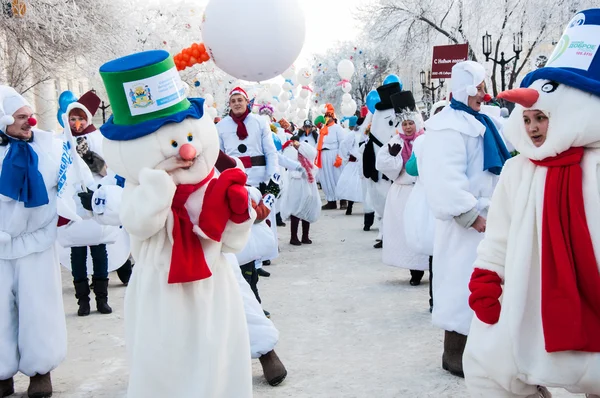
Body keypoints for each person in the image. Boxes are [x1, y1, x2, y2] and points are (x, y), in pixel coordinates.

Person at [464, 10, 600, 397]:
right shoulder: (518, 170)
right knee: (491, 369)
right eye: (527, 119)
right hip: (529, 294)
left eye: (542, 116)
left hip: (593, 293)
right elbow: (500, 231)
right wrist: (487, 273)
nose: (535, 127)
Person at [421, 61, 510, 378]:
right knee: (460, 283)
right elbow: (442, 176)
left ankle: (483, 348)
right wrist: (469, 213)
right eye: (481, 87)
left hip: (491, 218)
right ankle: (454, 351)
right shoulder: (446, 126)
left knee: (489, 282)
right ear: (466, 88)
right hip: (466, 225)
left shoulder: (483, 121)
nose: (484, 94)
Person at [0, 86, 70, 398]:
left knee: (38, 308)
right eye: (20, 117)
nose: (29, 121)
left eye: (31, 115)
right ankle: (2, 373)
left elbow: (73, 182)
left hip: (37, 245)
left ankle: (41, 371)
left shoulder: (50, 148)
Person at [217, 88, 280, 280]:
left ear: (247, 102)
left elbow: (270, 151)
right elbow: (218, 155)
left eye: (240, 100)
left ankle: (260, 259)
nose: (237, 103)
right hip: (235, 178)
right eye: (233, 100)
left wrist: (272, 175)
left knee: (262, 217)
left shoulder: (260, 122)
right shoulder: (221, 126)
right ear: (230, 104)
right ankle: (245, 260)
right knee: (241, 219)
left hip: (258, 175)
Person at [376, 90, 430, 285]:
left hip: (423, 191)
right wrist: (393, 157)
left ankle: (430, 265)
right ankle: (414, 270)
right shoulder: (396, 141)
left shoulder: (426, 139)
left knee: (424, 229)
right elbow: (381, 163)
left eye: (410, 123)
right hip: (403, 192)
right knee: (407, 232)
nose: (408, 127)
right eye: (404, 124)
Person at [279, 136, 320, 245]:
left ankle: (305, 236)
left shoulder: (306, 148)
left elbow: (312, 153)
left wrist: (300, 147)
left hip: (308, 181)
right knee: (296, 207)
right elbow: (288, 162)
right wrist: (293, 148)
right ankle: (293, 237)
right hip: (296, 181)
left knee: (307, 207)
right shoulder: (289, 150)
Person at [315, 104, 346, 210]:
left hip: (334, 154)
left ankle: (343, 200)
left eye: (328, 115)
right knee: (326, 178)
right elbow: (318, 144)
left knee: (337, 177)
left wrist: (340, 156)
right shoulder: (322, 130)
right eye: (325, 116)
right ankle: (331, 200)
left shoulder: (338, 128)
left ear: (333, 116)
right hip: (323, 156)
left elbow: (342, 143)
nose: (327, 118)